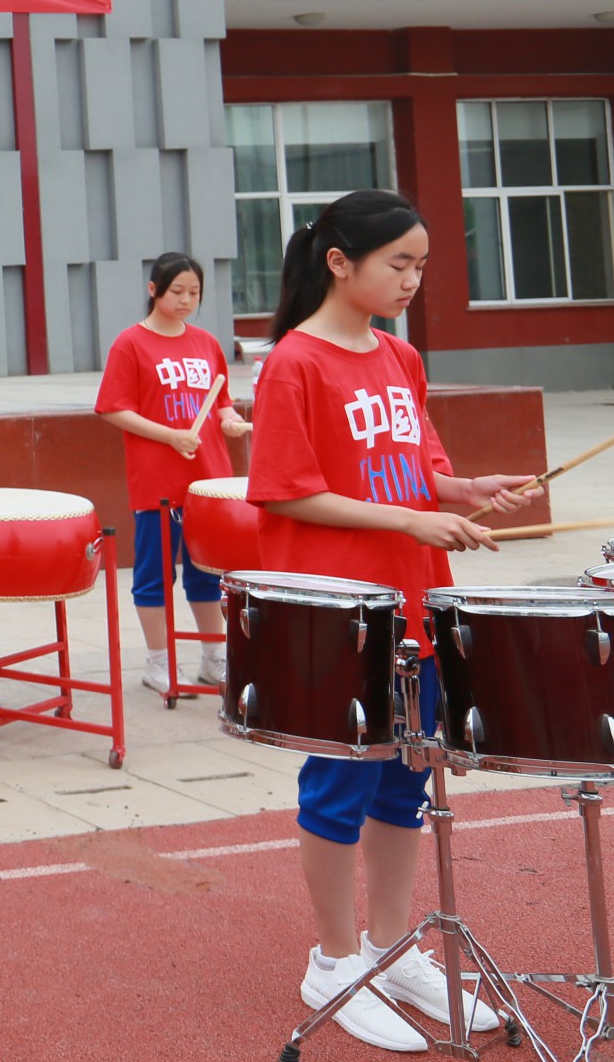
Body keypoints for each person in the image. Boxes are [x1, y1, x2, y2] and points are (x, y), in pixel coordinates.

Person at [248, 190, 535, 1052]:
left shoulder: (399, 357)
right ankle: (334, 964)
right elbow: (287, 491)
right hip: (342, 611)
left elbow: (417, 468)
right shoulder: (294, 363)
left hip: (417, 600)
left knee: (409, 779)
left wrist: (462, 490)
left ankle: (390, 947)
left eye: (422, 266)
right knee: (341, 784)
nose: (413, 280)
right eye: (398, 263)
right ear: (339, 262)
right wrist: (409, 519)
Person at [96, 251, 253, 691]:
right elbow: (113, 408)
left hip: (208, 480)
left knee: (208, 572)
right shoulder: (131, 343)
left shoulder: (206, 343)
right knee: (155, 574)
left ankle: (213, 657)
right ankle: (158, 662)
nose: (186, 300)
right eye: (177, 291)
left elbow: (220, 400)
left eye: (194, 293)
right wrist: (170, 436)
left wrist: (229, 420)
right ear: (153, 290)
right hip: (158, 481)